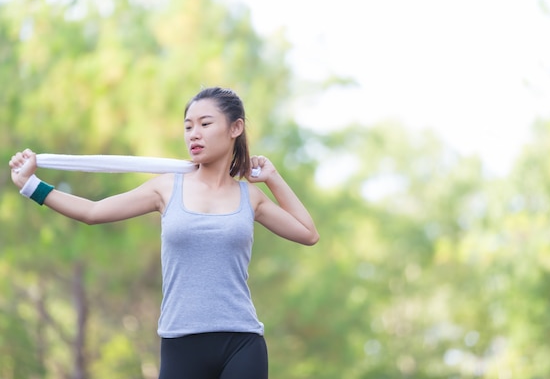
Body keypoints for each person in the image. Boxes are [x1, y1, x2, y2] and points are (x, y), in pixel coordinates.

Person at [8, 86, 319, 379]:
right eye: (187, 127)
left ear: (235, 128)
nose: (194, 134)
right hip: (181, 340)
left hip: (241, 341)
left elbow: (308, 233)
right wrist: (31, 186)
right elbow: (93, 212)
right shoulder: (167, 187)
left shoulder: (249, 196)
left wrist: (273, 177)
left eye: (205, 123)